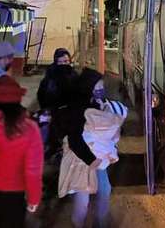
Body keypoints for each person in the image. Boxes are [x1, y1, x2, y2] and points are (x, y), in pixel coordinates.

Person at [0, 75, 43, 228]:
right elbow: (32, 170)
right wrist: (33, 198)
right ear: (18, 100)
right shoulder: (29, 129)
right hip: (14, 196)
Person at [61, 67, 111, 228]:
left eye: (102, 88)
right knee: (83, 198)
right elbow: (74, 139)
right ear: (88, 87)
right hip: (81, 159)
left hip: (98, 155)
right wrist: (91, 160)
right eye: (97, 88)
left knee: (105, 190)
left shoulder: (99, 104)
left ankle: (100, 224)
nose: (100, 91)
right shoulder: (77, 108)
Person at [37, 48, 80, 156]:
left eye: (66, 62)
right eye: (60, 62)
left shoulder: (74, 76)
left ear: (70, 61)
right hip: (53, 110)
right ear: (55, 62)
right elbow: (42, 95)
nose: (63, 65)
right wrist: (47, 110)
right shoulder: (50, 77)